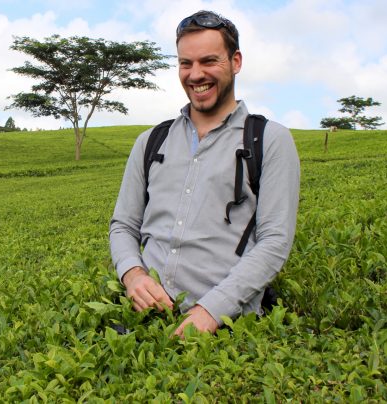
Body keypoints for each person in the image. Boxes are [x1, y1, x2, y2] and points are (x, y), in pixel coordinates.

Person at [109, 10, 300, 337]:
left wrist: (212, 310)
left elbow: (275, 242)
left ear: (236, 61)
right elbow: (123, 226)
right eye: (186, 63)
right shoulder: (151, 141)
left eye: (209, 61)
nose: (195, 75)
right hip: (141, 322)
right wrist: (133, 275)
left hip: (226, 328)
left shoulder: (269, 140)